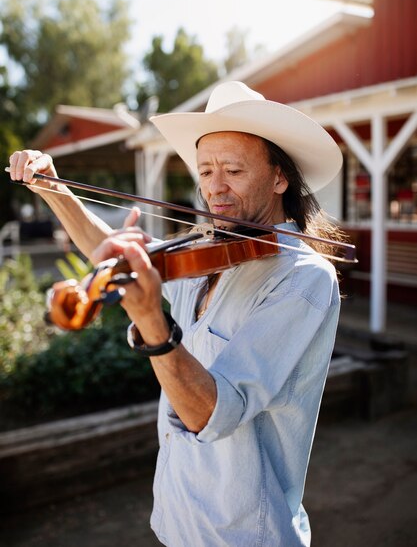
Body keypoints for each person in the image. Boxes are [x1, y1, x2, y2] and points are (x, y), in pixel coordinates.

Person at [8, 81, 343, 547]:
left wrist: (151, 322)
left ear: (279, 177)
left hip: (244, 534)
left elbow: (212, 413)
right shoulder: (206, 252)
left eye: (233, 170)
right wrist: (53, 188)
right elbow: (110, 250)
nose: (214, 188)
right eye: (205, 171)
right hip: (176, 519)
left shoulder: (304, 278)